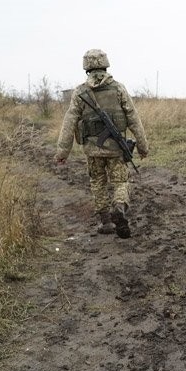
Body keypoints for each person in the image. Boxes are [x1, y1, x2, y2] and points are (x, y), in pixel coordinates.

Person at [54, 49, 149, 238]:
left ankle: (106, 222)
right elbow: (133, 117)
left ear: (86, 67)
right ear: (106, 64)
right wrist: (142, 146)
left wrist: (62, 152)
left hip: (92, 150)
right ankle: (119, 206)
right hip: (116, 149)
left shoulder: (80, 92)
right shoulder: (119, 88)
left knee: (97, 182)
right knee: (121, 181)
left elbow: (69, 122)